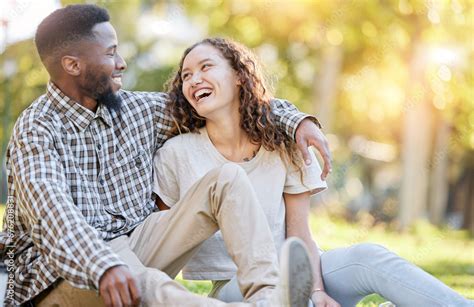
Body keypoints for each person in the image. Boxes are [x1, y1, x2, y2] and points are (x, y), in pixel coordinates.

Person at [0, 4, 333, 307]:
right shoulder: (37, 129)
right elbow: (53, 216)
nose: (122, 63)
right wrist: (103, 266)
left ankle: (268, 297)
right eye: (111, 53)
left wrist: (295, 120)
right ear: (73, 65)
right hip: (61, 278)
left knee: (226, 179)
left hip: (136, 244)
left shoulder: (135, 110)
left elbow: (222, 101)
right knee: (149, 283)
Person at [153, 37, 473, 307]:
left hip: (306, 271)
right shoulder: (176, 156)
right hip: (238, 287)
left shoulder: (283, 141)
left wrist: (318, 291)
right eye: (186, 76)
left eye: (205, 67)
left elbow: (300, 231)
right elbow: (168, 243)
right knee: (284, 284)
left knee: (369, 256)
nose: (193, 80)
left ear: (239, 76)